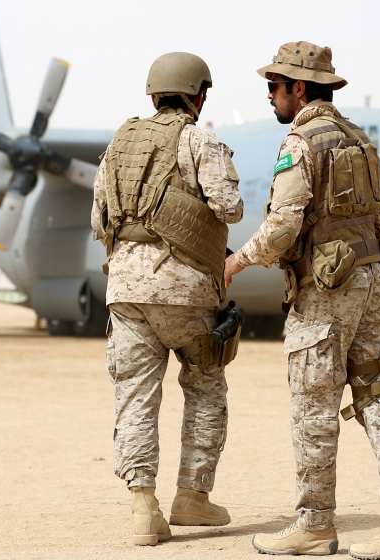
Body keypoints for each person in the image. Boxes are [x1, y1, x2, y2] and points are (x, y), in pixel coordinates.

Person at [224, 42, 380, 559]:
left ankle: (314, 525)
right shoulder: (361, 141)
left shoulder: (301, 143)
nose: (270, 96)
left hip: (326, 292)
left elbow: (282, 227)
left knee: (313, 408)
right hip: (373, 283)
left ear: (299, 89)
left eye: (275, 86)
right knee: (377, 394)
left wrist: (236, 261)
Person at [90, 52, 243, 546]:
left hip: (125, 292)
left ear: (153, 96)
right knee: (204, 387)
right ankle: (192, 498)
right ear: (199, 95)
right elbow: (230, 208)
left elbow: (99, 220)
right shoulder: (200, 139)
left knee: (135, 395)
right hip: (185, 291)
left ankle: (143, 510)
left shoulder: (117, 144)